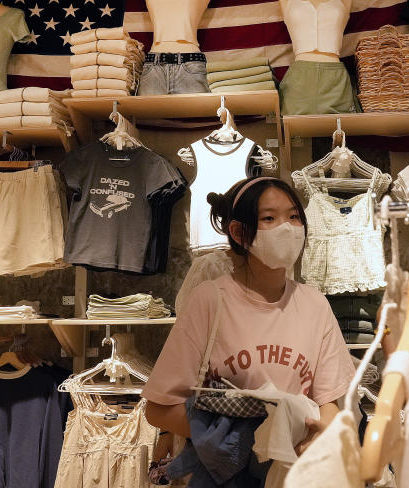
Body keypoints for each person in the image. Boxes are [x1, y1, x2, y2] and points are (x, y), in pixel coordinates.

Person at [142, 177, 356, 458]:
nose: (287, 228)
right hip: (225, 472)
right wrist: (241, 442)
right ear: (239, 232)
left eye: (294, 216)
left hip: (291, 470)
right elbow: (159, 409)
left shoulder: (313, 303)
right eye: (269, 218)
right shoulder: (210, 300)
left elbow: (329, 401)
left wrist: (320, 435)